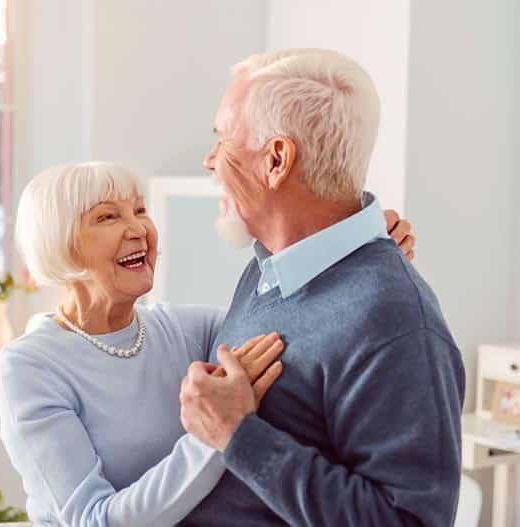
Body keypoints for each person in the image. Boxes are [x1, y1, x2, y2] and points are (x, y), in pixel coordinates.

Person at [0, 161, 416, 526]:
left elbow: (296, 331)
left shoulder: (186, 329)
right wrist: (217, 432)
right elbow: (95, 520)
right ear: (61, 244)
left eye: (139, 210)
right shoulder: (29, 366)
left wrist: (358, 256)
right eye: (107, 217)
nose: (138, 228)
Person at [178, 49, 465, 526]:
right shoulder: (267, 272)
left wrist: (238, 435)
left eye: (223, 140)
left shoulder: (396, 322)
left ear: (276, 160)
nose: (210, 161)